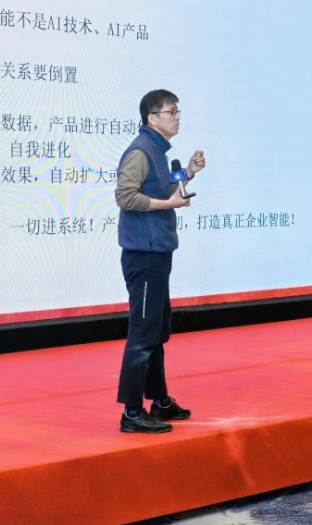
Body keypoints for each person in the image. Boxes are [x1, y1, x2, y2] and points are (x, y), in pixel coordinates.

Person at [115, 89, 205, 433]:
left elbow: (161, 190)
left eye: (178, 111)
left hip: (157, 250)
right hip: (144, 252)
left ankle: (160, 400)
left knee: (156, 330)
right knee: (143, 332)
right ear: (152, 118)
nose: (177, 117)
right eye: (172, 112)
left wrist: (189, 173)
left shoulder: (157, 150)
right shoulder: (141, 151)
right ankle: (132, 412)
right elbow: (125, 196)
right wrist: (169, 205)